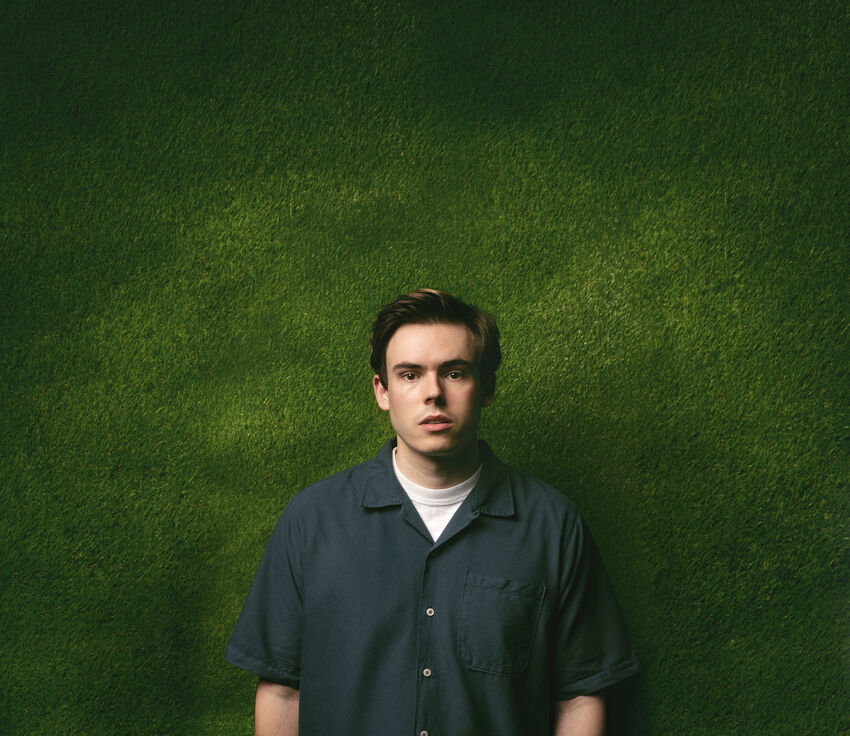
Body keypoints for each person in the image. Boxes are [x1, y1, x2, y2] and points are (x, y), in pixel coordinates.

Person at [226, 289, 639, 736]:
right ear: (382, 392)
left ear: (487, 388)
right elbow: (283, 691)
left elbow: (579, 696)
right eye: (409, 375)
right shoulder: (312, 520)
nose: (433, 394)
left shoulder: (553, 525)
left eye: (455, 373)